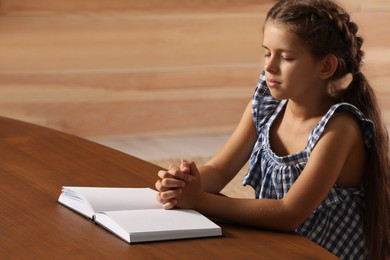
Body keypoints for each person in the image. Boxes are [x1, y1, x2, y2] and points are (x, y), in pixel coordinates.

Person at [154, 0, 390, 259]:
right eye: (267, 53)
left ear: (326, 67)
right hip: (273, 243)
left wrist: (199, 200)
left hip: (321, 253)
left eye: (286, 57)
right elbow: (220, 170)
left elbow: (289, 213)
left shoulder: (339, 129)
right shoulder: (267, 104)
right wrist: (185, 182)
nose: (269, 66)